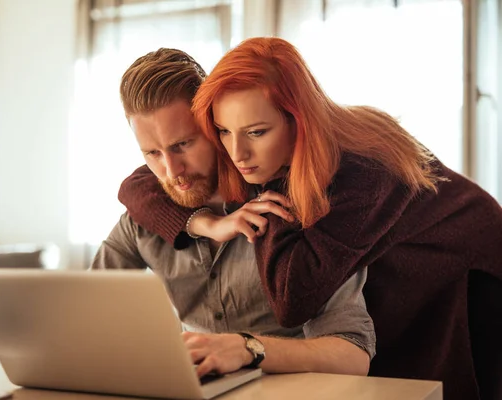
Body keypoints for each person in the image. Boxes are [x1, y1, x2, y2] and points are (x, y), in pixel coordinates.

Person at [117, 37, 502, 400]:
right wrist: (205, 223)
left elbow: (292, 300)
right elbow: (137, 186)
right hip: (392, 260)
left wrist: (265, 197)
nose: (237, 153)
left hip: (462, 262)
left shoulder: (359, 173)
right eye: (223, 132)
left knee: (437, 377)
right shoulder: (260, 153)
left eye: (256, 131)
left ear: (296, 120)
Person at [91, 47, 377, 379]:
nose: (172, 170)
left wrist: (247, 348)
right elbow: (88, 315)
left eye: (183, 144)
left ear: (215, 127)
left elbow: (352, 353)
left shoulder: (291, 207)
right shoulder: (141, 220)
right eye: (153, 153)